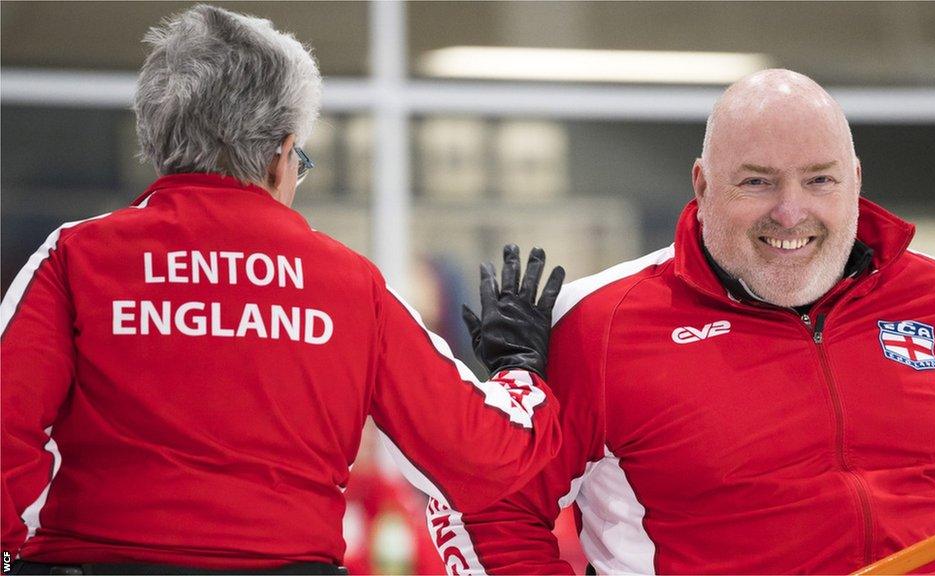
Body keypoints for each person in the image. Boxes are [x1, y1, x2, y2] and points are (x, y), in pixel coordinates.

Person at [0, 5, 565, 574]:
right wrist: (519, 369)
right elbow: (481, 458)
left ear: (158, 141)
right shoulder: (349, 285)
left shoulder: (77, 257)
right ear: (280, 156)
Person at [430, 69, 935, 574]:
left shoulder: (931, 296)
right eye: (756, 181)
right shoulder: (601, 324)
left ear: (856, 180)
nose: (790, 212)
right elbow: (486, 501)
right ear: (703, 184)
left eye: (820, 179)